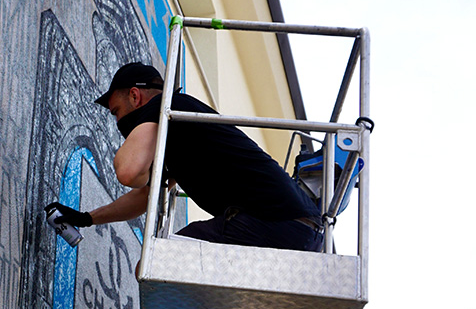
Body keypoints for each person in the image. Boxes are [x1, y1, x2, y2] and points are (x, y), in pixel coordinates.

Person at [48, 61, 324, 251]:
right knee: (161, 263)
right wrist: (87, 218)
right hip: (298, 230)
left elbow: (129, 172)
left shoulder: (165, 107)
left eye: (116, 112)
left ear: (135, 96)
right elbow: (147, 194)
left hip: (271, 223)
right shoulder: (181, 128)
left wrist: (136, 154)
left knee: (160, 263)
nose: (118, 122)